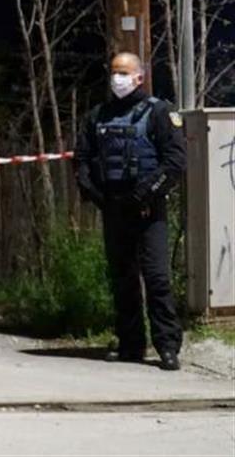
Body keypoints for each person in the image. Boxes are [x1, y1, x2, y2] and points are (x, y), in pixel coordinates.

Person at [74, 52, 186, 371]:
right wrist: (97, 195)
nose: (117, 78)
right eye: (113, 72)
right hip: (114, 208)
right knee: (122, 279)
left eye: (123, 72)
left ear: (139, 76)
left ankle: (167, 346)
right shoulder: (98, 116)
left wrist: (145, 194)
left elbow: (175, 161)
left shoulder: (159, 112)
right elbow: (82, 159)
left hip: (149, 209)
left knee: (157, 278)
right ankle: (130, 344)